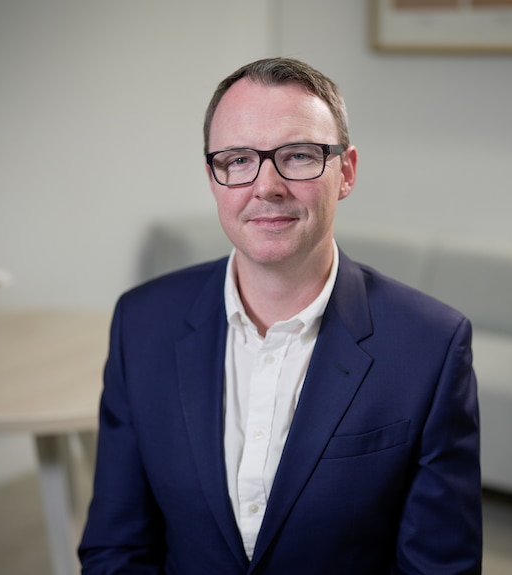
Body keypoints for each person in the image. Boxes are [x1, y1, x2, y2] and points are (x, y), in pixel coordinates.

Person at [79, 57, 482, 574]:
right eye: (238, 160)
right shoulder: (142, 323)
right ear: (213, 177)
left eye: (297, 155)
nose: (266, 186)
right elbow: (116, 547)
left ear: (347, 172)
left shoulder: (432, 346)